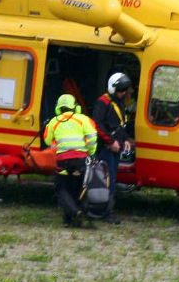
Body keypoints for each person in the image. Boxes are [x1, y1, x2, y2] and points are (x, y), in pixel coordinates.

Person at [43, 93, 98, 227]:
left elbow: (47, 140)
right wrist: (91, 153)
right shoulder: (83, 119)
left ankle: (73, 214)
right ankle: (80, 215)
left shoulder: (54, 122)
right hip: (81, 160)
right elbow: (92, 137)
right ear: (75, 107)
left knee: (62, 188)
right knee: (79, 187)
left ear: (58, 108)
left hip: (62, 161)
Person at [91, 72, 134, 224]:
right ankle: (104, 212)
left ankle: (106, 210)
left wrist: (126, 139)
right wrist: (110, 142)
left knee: (112, 179)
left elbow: (119, 124)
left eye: (124, 90)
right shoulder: (103, 103)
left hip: (115, 146)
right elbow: (97, 125)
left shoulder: (118, 101)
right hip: (106, 149)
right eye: (121, 90)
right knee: (106, 180)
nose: (123, 93)